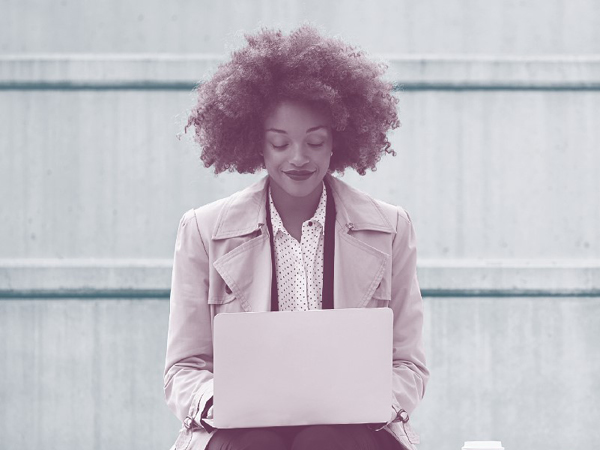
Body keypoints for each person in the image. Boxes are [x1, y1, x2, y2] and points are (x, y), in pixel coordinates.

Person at [164, 24, 429, 450]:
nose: (299, 158)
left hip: (353, 432)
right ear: (258, 144)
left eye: (315, 141)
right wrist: (218, 401)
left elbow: (407, 363)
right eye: (280, 143)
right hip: (240, 432)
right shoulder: (203, 230)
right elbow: (184, 367)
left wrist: (376, 401)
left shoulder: (390, 228)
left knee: (324, 441)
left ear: (336, 142)